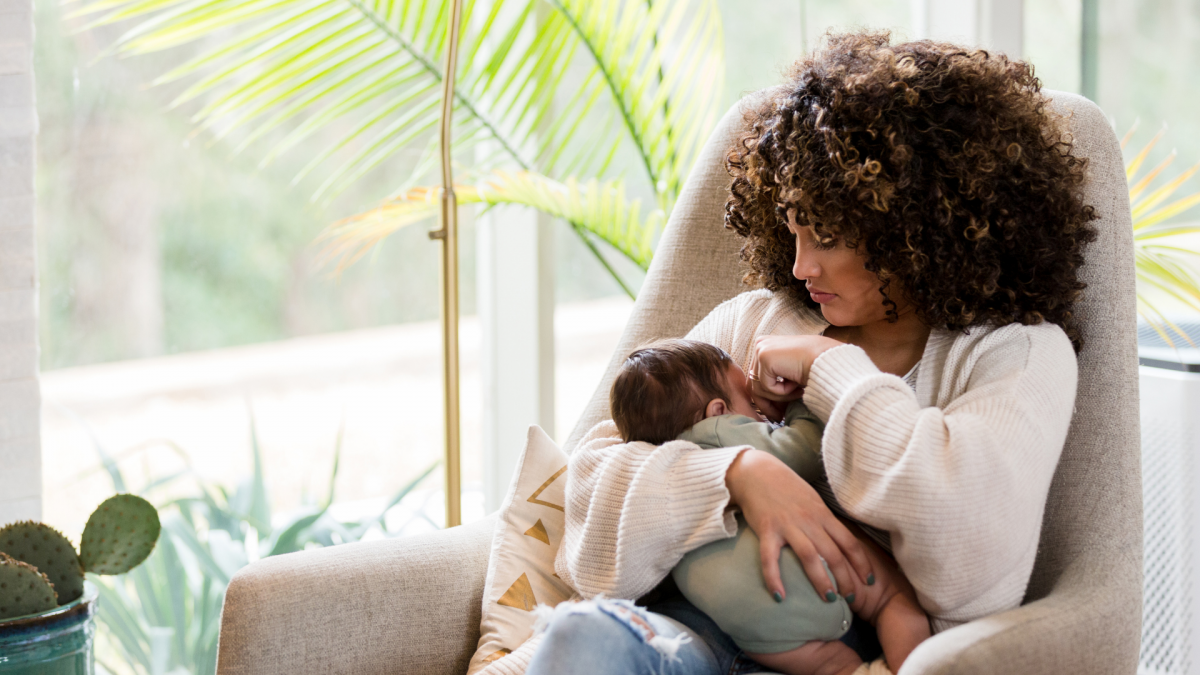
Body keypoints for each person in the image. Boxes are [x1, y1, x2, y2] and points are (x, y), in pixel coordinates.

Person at [519, 31, 1096, 675]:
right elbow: (594, 494)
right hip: (689, 643)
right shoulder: (757, 318)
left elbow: (971, 568)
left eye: (824, 236)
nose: (799, 266)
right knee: (579, 639)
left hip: (851, 654)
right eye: (793, 229)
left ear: (912, 229)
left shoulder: (1014, 357)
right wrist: (739, 472)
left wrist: (829, 369)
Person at [610, 338, 931, 675]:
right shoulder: (719, 433)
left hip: (748, 624)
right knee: (894, 600)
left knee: (827, 662)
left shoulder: (657, 468)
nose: (760, 413)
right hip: (797, 579)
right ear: (718, 411)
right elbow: (803, 452)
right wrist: (804, 401)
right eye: (750, 402)